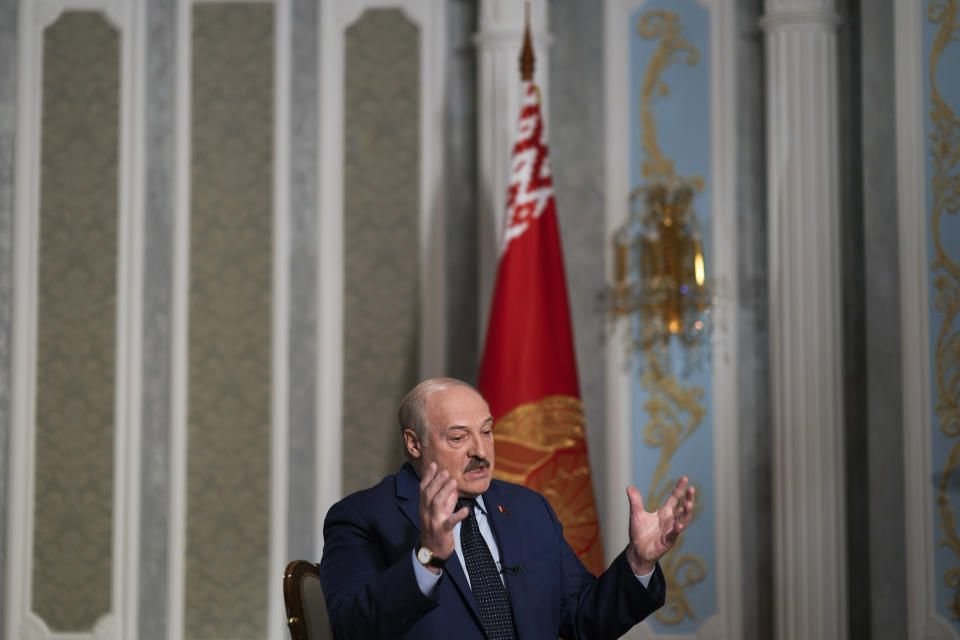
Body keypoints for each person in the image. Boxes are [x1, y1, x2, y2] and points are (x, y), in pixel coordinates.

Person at [318, 377, 695, 639]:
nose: (480, 451)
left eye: (486, 431)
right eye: (458, 437)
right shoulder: (360, 518)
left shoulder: (529, 510)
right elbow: (352, 629)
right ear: (414, 444)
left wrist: (638, 563)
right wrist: (427, 557)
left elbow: (584, 620)